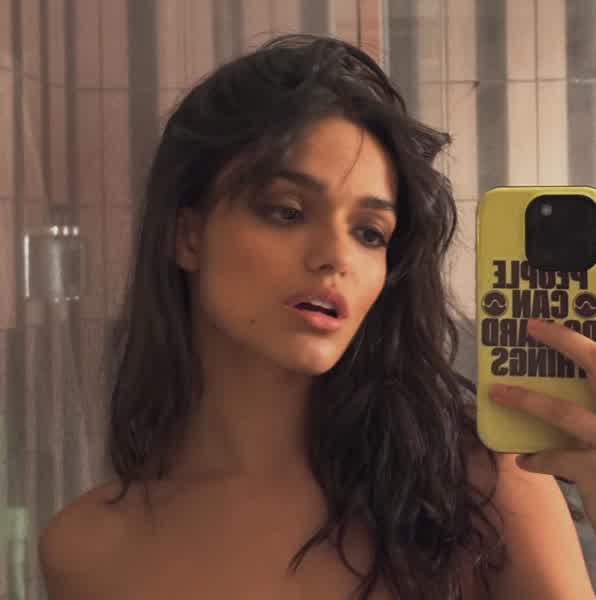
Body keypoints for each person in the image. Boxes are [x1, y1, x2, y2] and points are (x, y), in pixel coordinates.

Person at [38, 34, 595, 600]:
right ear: (188, 236)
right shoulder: (85, 550)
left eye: (369, 233)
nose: (336, 256)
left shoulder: (478, 488)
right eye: (287, 212)